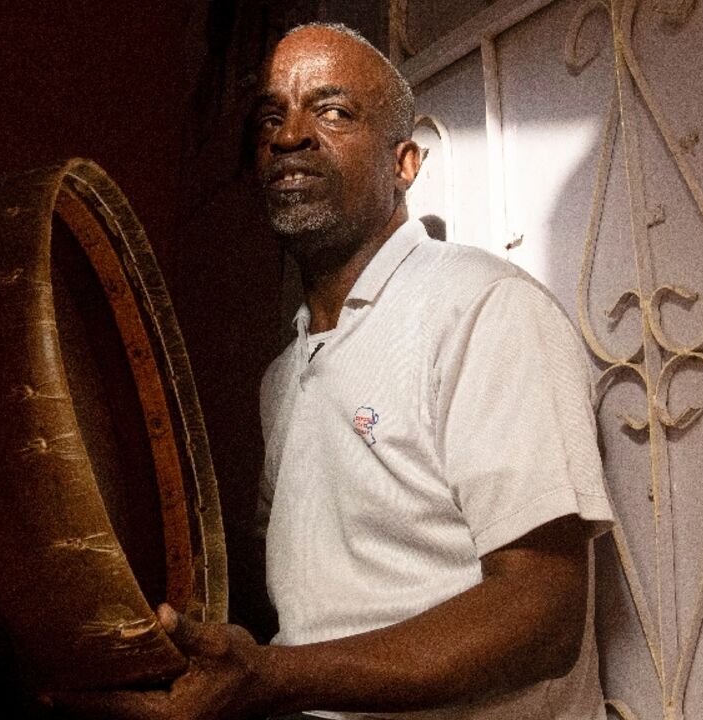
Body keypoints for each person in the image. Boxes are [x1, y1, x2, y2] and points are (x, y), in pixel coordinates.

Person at [52, 22, 614, 720]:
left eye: (333, 111)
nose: (290, 136)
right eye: (270, 118)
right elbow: (311, 604)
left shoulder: (485, 311)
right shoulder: (282, 378)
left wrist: (273, 677)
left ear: (405, 162)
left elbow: (544, 617)